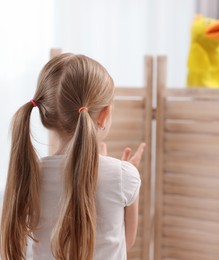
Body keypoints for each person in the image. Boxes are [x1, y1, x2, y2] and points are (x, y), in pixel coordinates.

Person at [1, 53, 145, 260]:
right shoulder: (124, 176)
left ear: (45, 114)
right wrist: (124, 171)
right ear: (104, 115)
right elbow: (126, 240)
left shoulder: (28, 174)